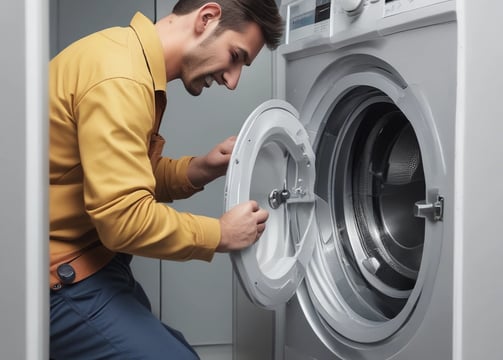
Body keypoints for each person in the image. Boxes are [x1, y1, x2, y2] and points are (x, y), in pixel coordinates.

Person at [49, 0, 284, 358]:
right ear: (207, 18)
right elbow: (123, 220)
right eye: (235, 56)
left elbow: (119, 176)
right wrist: (221, 233)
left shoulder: (125, 57)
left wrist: (202, 167)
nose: (232, 81)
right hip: (58, 279)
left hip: (94, 260)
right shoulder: (121, 79)